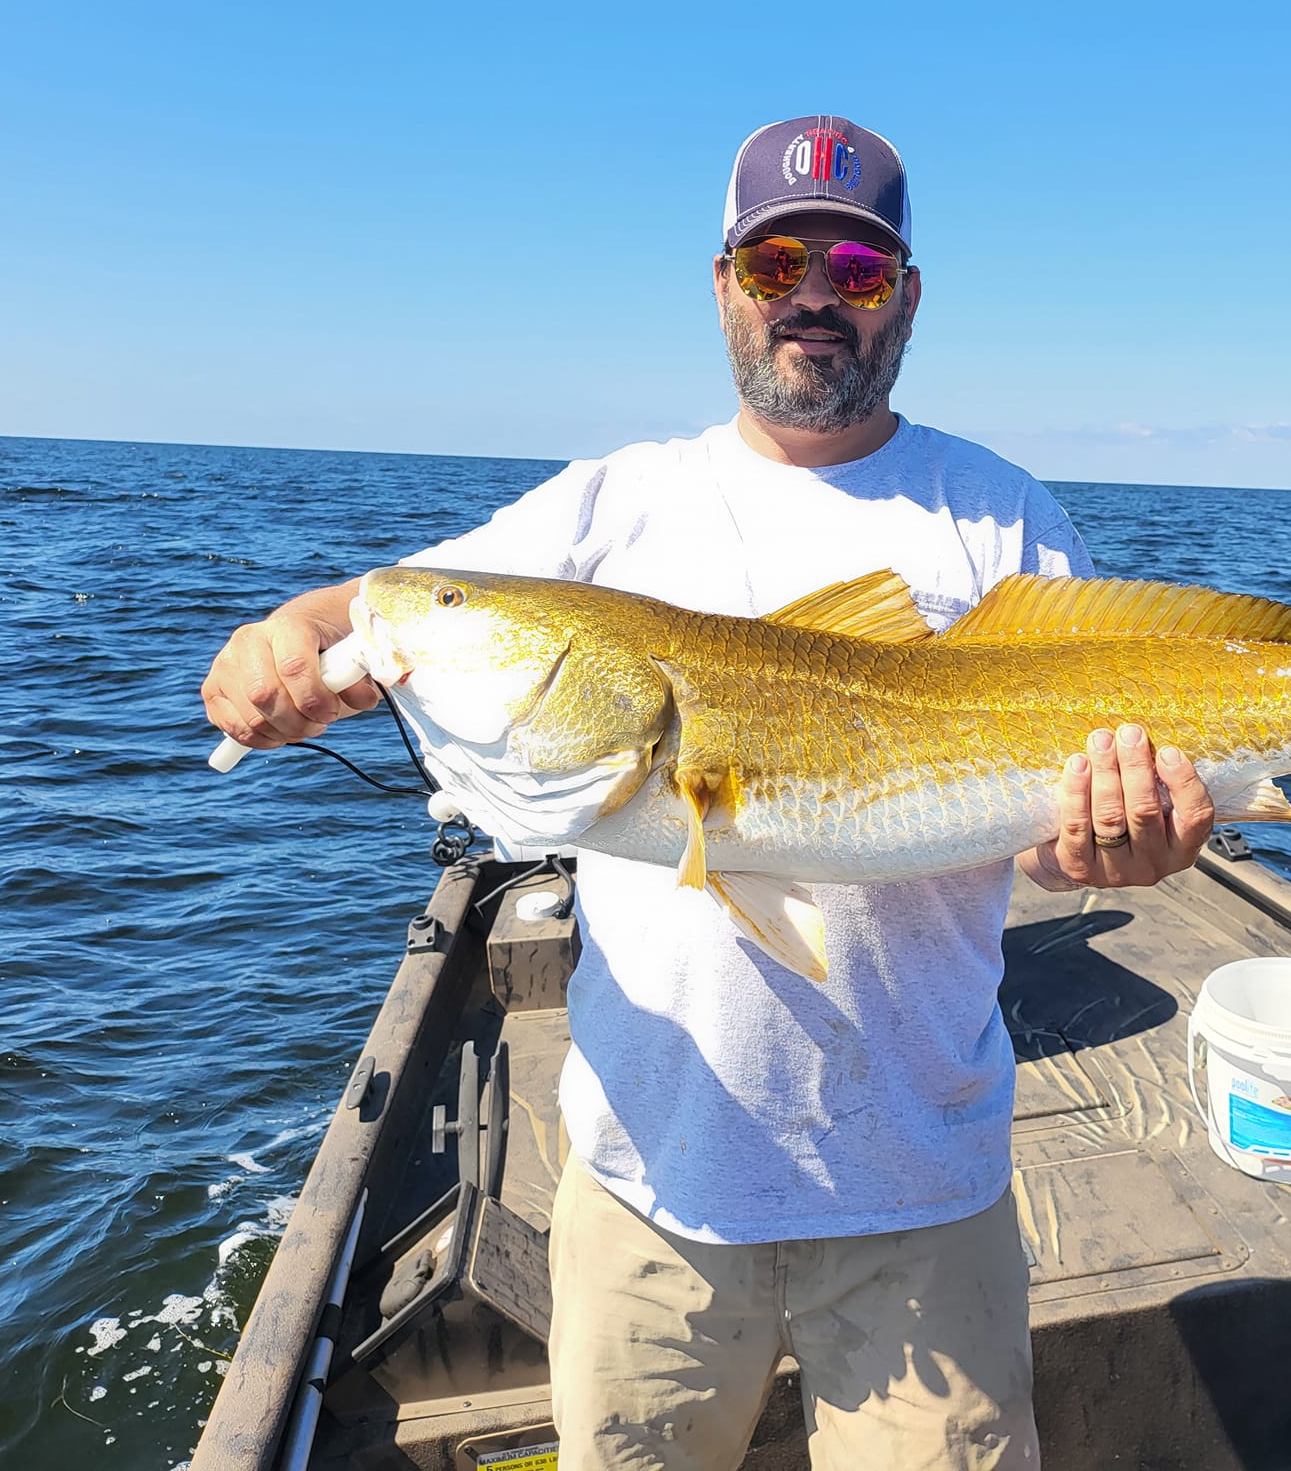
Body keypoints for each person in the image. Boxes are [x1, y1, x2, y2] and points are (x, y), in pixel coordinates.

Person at [201, 115, 1217, 1471]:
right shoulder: (613, 505)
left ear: (904, 296)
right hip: (647, 1201)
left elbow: (1038, 842)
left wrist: (1109, 850)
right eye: (776, 259)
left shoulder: (1003, 515)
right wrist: (286, 631)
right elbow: (398, 601)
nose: (812, 293)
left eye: (854, 268)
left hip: (926, 1200)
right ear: (726, 283)